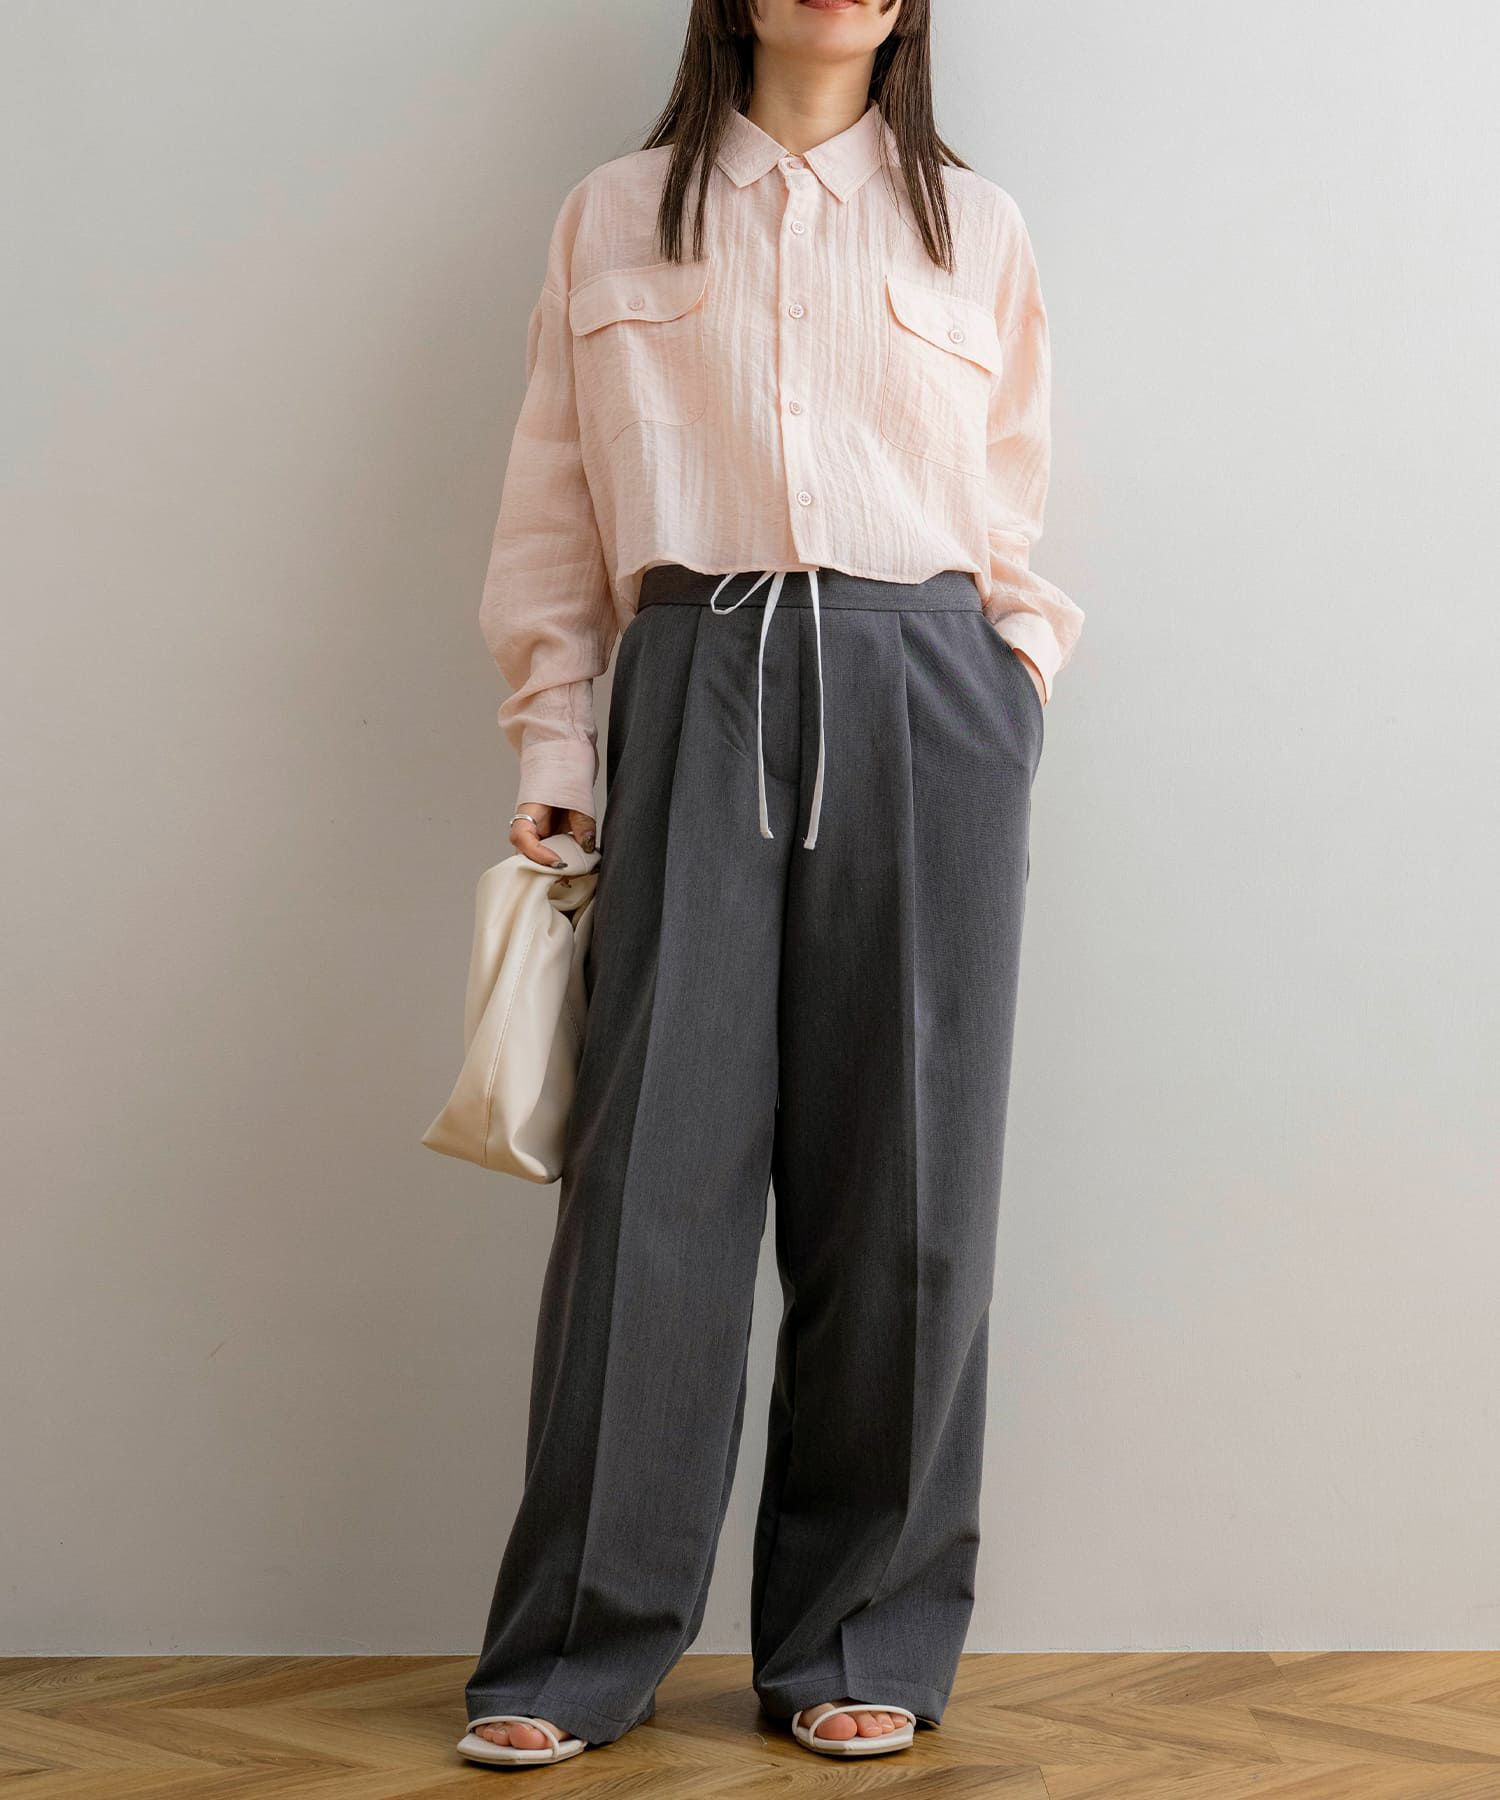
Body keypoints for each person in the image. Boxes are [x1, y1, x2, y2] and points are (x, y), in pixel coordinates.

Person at [456, 0, 1083, 1769]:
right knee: (651, 1179)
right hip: (694, 674)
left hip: (926, 695)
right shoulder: (616, 210)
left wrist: (1014, 684)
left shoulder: (977, 224)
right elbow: (554, 500)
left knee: (910, 1185)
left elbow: (1010, 505)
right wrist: (557, 740)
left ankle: (861, 1632)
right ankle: (577, 1649)